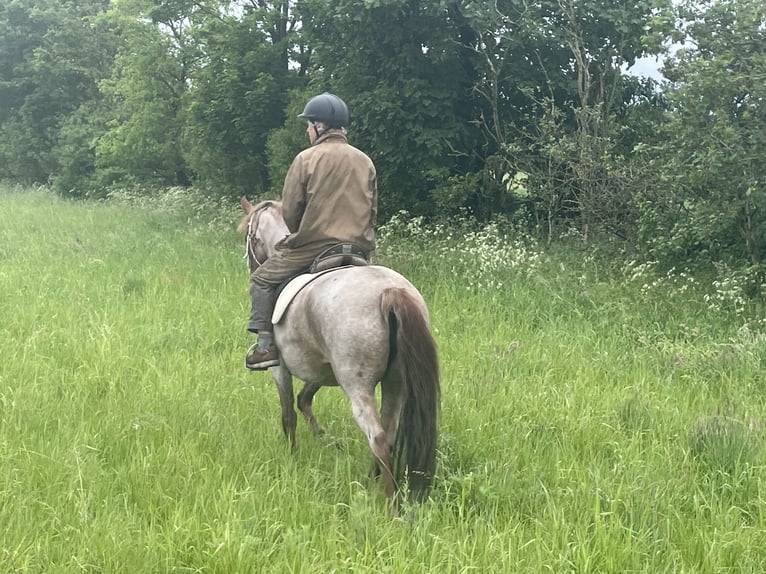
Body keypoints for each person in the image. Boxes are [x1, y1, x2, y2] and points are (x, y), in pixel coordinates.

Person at [245, 93, 378, 370]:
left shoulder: (306, 159)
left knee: (260, 279)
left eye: (308, 124)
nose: (307, 130)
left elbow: (292, 212)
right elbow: (372, 210)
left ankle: (265, 347)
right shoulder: (365, 161)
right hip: (359, 249)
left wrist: (301, 232)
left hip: (315, 247)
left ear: (320, 126)